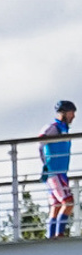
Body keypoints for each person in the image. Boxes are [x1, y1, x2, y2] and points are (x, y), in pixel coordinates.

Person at [41, 101, 75, 239]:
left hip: (58, 172)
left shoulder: (63, 129)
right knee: (68, 201)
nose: (73, 116)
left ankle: (51, 235)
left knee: (55, 205)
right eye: (72, 112)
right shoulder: (54, 127)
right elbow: (41, 138)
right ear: (64, 113)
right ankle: (58, 234)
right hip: (55, 172)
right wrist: (45, 163)